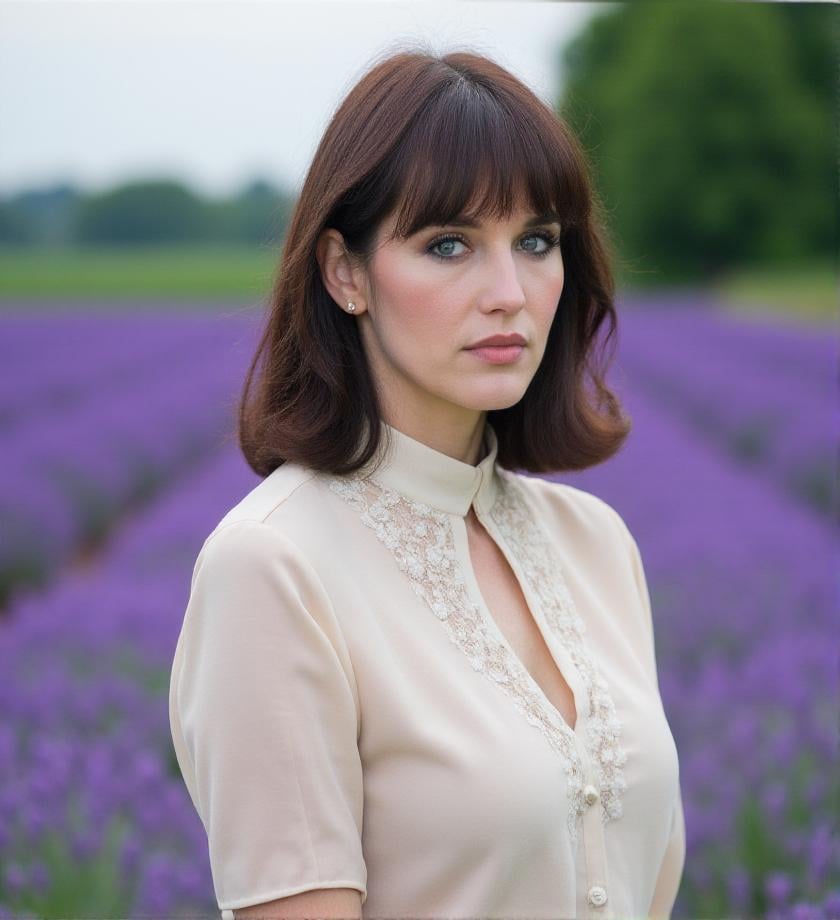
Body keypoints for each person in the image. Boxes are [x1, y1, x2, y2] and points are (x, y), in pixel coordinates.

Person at [168, 44, 686, 920]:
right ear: (345, 272)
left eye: (536, 241)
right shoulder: (273, 569)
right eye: (449, 244)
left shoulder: (596, 542)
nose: (509, 292)